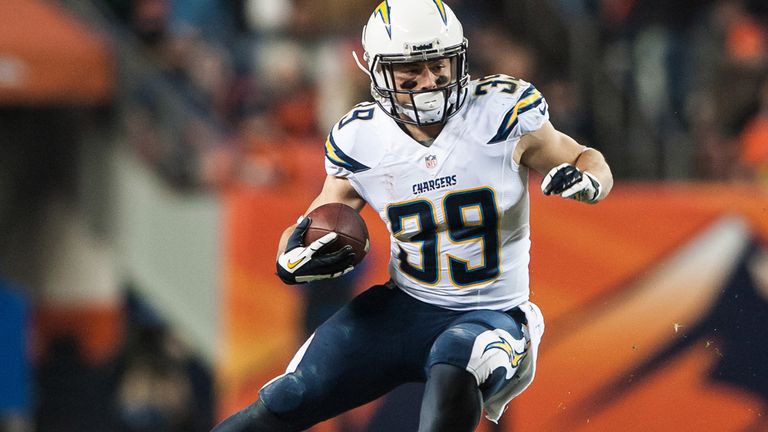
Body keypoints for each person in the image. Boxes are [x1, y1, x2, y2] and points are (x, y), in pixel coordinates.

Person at [212, 0, 613, 431]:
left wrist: (588, 181)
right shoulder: (362, 137)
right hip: (404, 309)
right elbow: (314, 222)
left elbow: (588, 159)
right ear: (379, 73)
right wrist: (292, 258)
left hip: (492, 314)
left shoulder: (500, 112)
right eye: (412, 70)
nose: (430, 81)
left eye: (439, 64)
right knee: (289, 396)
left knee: (454, 357)